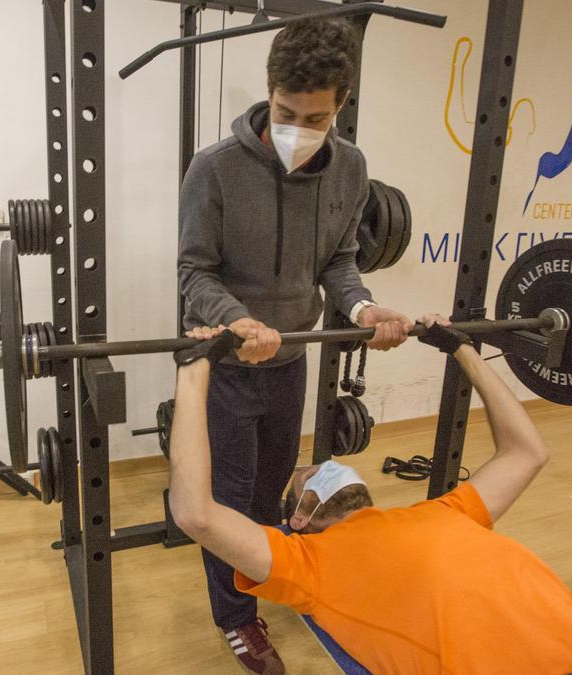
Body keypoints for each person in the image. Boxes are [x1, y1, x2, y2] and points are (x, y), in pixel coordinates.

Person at [167, 318, 572, 674]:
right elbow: (196, 513)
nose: (314, 465)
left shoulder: (445, 510)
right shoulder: (306, 565)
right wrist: (195, 379)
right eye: (303, 475)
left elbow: (529, 451)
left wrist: (466, 351)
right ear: (300, 518)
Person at [177, 18, 414, 671]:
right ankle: (236, 618)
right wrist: (237, 321)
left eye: (316, 118)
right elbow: (193, 271)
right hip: (229, 363)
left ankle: (270, 579)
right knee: (226, 499)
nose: (298, 132)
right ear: (269, 90)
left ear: (339, 105)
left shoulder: (352, 170)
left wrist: (364, 306)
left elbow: (337, 262)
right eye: (286, 113)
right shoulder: (215, 169)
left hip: (291, 361)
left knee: (270, 491)